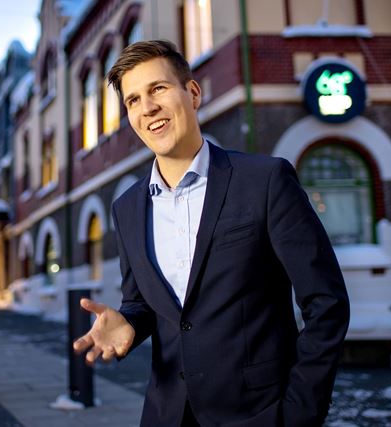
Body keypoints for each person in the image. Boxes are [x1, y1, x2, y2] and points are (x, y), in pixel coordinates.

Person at [73, 39, 350, 427]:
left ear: (193, 92)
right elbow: (144, 302)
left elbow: (327, 303)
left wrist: (300, 411)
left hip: (259, 414)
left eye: (158, 88)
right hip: (166, 415)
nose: (147, 107)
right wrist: (130, 323)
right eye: (133, 100)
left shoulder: (265, 181)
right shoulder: (127, 208)